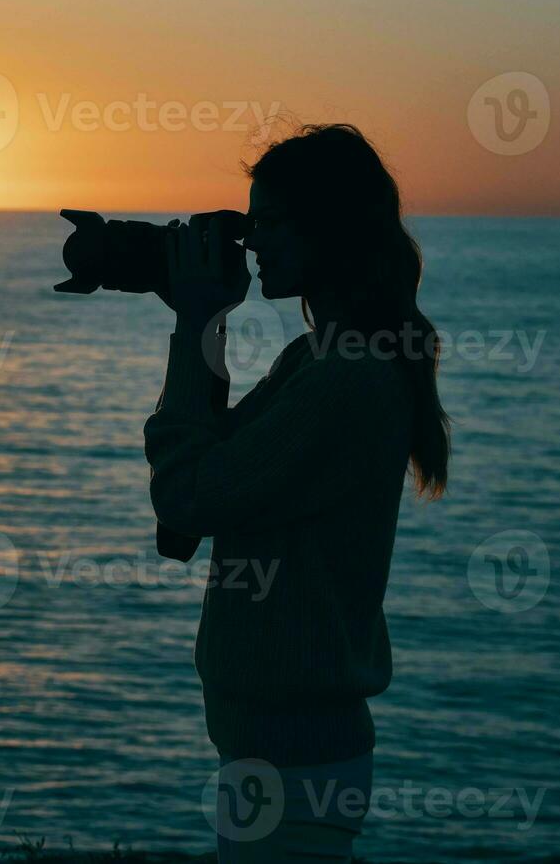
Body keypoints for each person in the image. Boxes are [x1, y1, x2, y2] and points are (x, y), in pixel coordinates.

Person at [144, 125, 451, 863]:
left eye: (271, 223)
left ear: (330, 229)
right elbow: (203, 490)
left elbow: (186, 498)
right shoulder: (321, 357)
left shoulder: (346, 377)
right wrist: (207, 321)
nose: (253, 244)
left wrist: (195, 323)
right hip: (280, 747)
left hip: (296, 759)